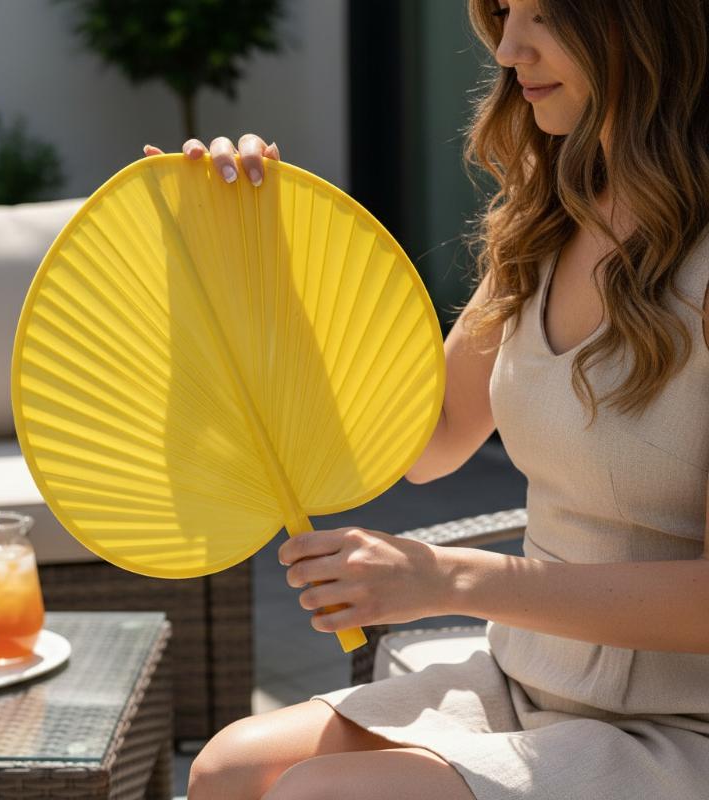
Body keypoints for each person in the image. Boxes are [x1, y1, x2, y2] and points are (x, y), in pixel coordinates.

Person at [145, 1, 709, 797]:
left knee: (315, 794)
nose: (509, 49)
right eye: (505, 11)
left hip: (682, 726)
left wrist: (445, 577)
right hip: (528, 684)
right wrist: (252, 257)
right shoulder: (547, 222)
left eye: (544, 15)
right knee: (227, 769)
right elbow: (428, 436)